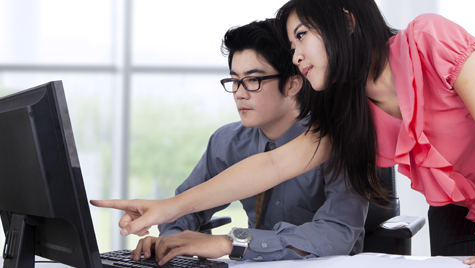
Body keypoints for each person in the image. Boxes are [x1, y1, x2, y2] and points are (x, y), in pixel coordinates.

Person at [92, 1, 475, 267]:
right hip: (458, 212)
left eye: (302, 37)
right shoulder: (350, 109)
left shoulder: (431, 37)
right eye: (291, 46)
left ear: (346, 22)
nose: (295, 56)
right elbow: (275, 164)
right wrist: (167, 207)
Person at [93, 19, 368, 265]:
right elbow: (185, 206)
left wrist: (233, 242)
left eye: (253, 80)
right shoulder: (227, 142)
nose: (239, 94)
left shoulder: (337, 137)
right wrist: (172, 241)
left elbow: (337, 232)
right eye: (234, 81)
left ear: (293, 84)